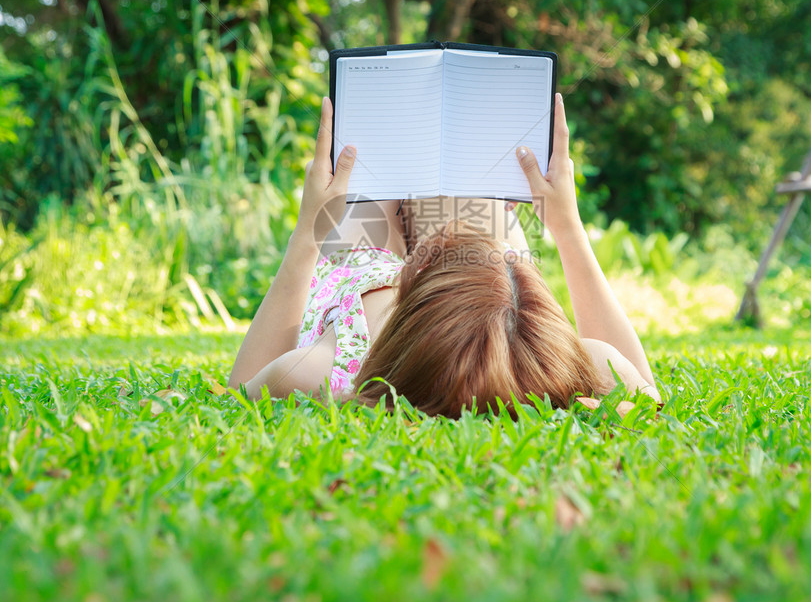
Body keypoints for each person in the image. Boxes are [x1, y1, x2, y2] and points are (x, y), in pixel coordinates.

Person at [227, 94, 659, 415]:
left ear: (412, 291)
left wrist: (308, 233)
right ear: (533, 305)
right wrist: (567, 227)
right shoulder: (572, 371)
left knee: (387, 180)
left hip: (362, 271)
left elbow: (240, 393)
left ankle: (409, 151)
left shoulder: (322, 372)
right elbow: (650, 397)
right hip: (487, 315)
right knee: (474, 190)